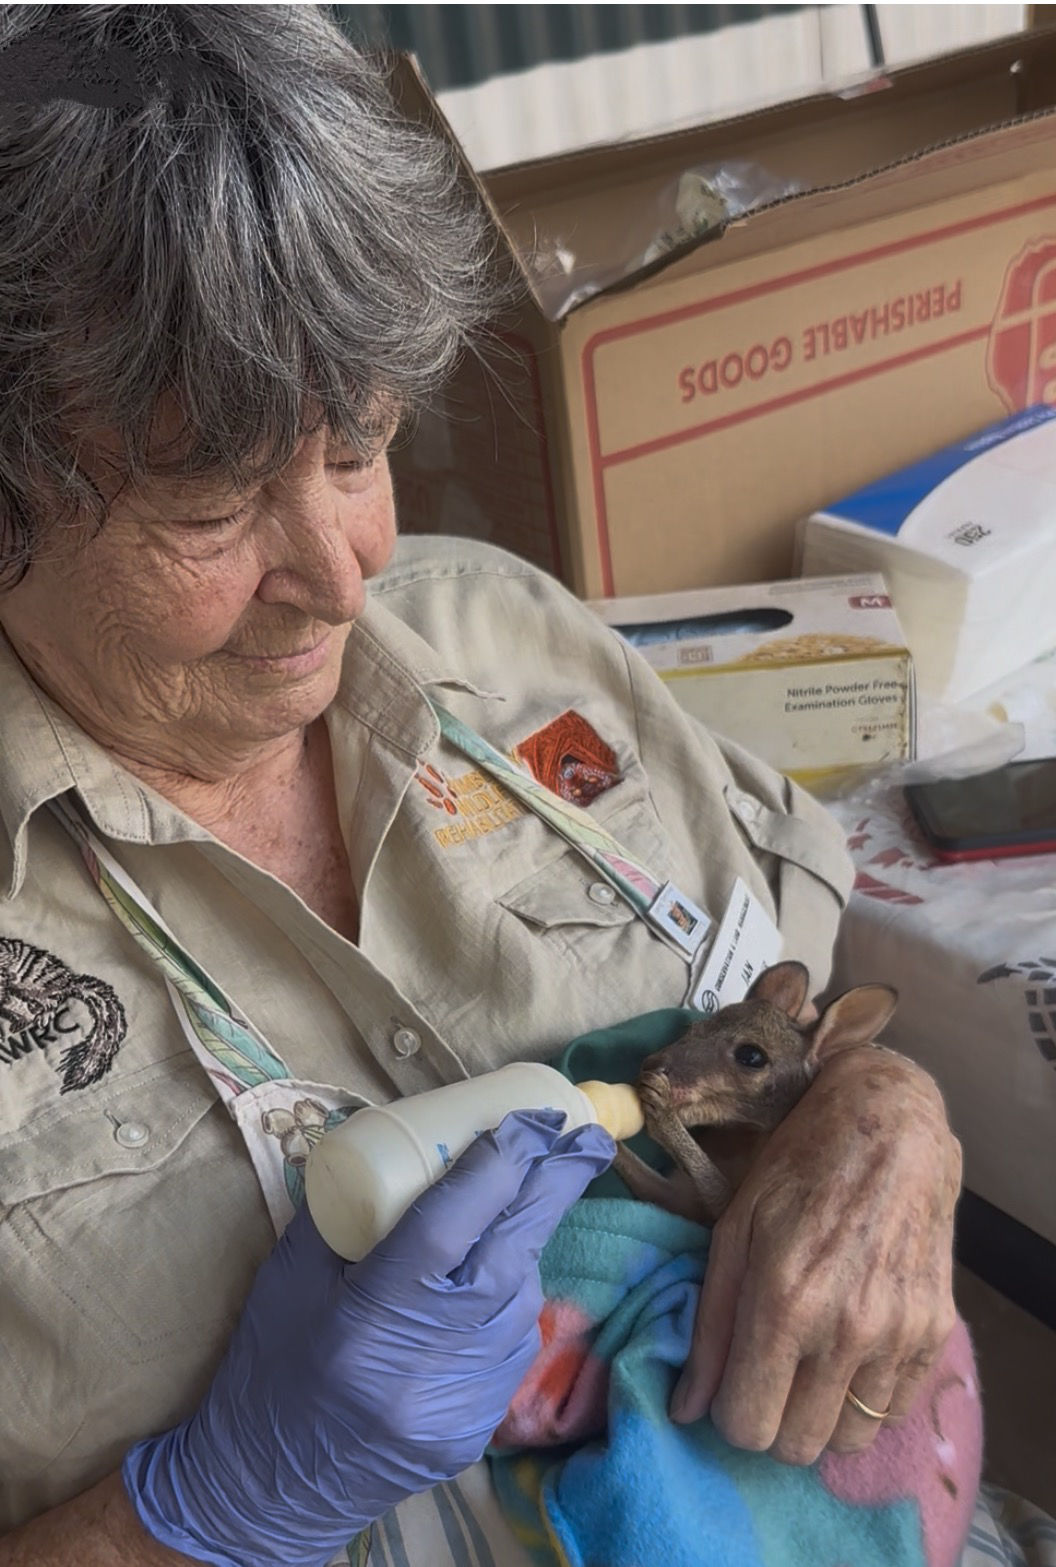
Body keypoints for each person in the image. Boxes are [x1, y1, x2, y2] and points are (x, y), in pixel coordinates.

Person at [0, 7, 964, 1567]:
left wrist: (880, 1114)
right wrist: (196, 1515)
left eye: (360, 442)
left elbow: (786, 994)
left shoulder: (498, 633)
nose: (337, 575)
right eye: (210, 499)